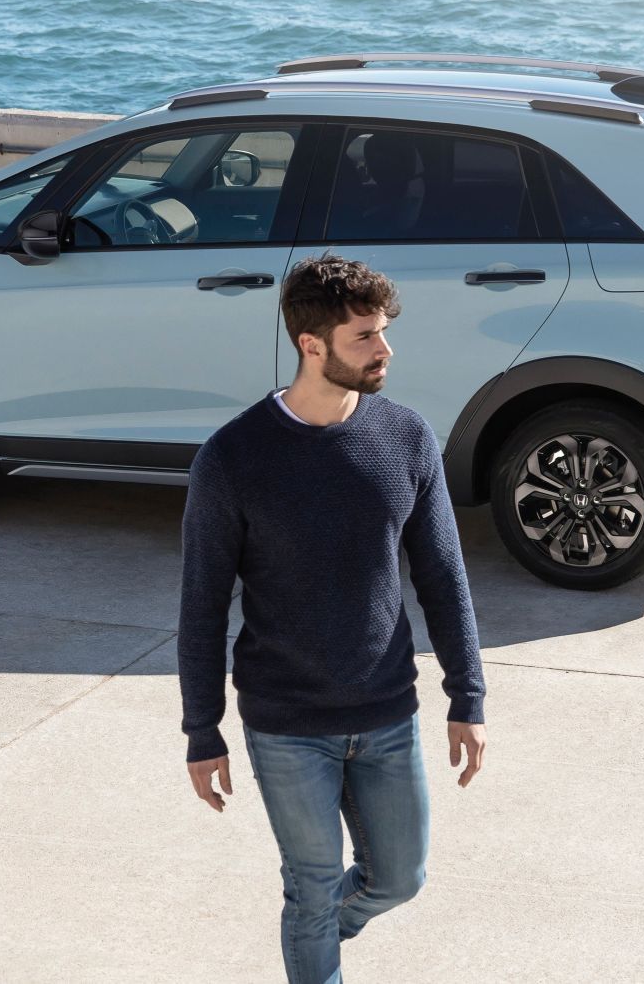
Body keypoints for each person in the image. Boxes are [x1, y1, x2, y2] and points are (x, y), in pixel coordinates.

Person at [177, 254, 487, 984]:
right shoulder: (233, 458)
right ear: (311, 344)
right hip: (287, 724)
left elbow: (443, 575)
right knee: (312, 888)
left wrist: (467, 696)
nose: (385, 350)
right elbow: (201, 604)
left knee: (400, 879)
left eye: (383, 332)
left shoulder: (406, 438)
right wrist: (202, 729)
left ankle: (312, 936)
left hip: (386, 711)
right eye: (365, 337)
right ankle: (313, 938)